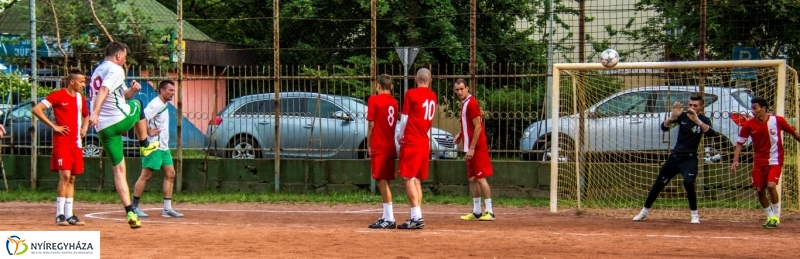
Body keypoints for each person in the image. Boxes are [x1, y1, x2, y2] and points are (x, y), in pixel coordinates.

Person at [89, 41, 161, 229]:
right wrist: (94, 113)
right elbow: (104, 91)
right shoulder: (116, 69)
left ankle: (130, 212)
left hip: (103, 129)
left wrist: (132, 90)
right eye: (125, 56)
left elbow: (119, 97)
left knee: (119, 170)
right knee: (138, 105)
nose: (125, 60)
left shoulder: (97, 71)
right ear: (119, 56)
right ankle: (145, 144)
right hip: (115, 119)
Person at [633, 94, 717, 224]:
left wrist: (697, 121)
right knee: (658, 184)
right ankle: (644, 212)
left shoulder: (704, 120)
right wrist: (672, 118)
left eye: (695, 105)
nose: (692, 107)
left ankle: (694, 215)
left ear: (701, 107)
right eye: (690, 105)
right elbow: (664, 128)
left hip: (689, 159)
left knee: (688, 183)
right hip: (675, 157)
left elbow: (711, 133)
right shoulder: (682, 116)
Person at [31, 70, 90, 226]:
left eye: (84, 82)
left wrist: (84, 128)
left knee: (72, 178)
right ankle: (59, 215)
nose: (83, 85)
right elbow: (36, 110)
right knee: (64, 176)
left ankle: (70, 215)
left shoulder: (80, 98)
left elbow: (86, 115)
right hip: (62, 141)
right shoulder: (57, 95)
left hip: (76, 142)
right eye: (81, 82)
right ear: (72, 82)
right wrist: (54, 126)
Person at [731, 97, 800, 228]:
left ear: (763, 108)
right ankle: (770, 217)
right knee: (759, 189)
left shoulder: (777, 120)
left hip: (775, 159)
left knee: (771, 185)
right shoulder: (749, 124)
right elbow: (739, 143)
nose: (752, 111)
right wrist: (735, 160)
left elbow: (793, 132)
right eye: (752, 108)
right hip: (759, 161)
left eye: (755, 108)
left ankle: (776, 216)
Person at [131, 80, 184, 218]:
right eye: (170, 90)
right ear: (162, 90)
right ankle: (134, 207)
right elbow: (139, 118)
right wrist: (148, 131)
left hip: (163, 147)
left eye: (173, 90)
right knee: (146, 175)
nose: (173, 93)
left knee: (170, 173)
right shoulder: (155, 104)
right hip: (154, 146)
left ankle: (167, 209)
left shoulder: (163, 104)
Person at [395, 68, 437, 230]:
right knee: (416, 179)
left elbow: (404, 117)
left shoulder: (411, 94)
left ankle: (417, 216)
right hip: (423, 140)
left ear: (415, 78)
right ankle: (416, 216)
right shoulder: (433, 96)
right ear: (430, 80)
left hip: (412, 140)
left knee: (408, 177)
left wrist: (400, 134)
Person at [452, 79, 495, 221]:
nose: (459, 92)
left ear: (467, 88)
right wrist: (461, 134)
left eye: (461, 89)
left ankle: (490, 211)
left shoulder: (472, 104)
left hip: (477, 148)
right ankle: (477, 211)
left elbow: (478, 126)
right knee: (472, 178)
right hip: (469, 147)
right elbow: (468, 125)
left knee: (481, 178)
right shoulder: (464, 104)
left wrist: (472, 148)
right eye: (457, 90)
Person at [366, 74, 399, 229]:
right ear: (391, 87)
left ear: (378, 85)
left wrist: (368, 142)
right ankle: (387, 215)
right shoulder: (394, 102)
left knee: (381, 181)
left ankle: (390, 217)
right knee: (385, 180)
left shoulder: (374, 100)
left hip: (379, 144)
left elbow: (371, 124)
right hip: (390, 145)